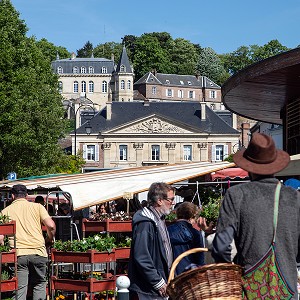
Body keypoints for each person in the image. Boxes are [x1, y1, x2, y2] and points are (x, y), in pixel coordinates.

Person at [212, 133, 300, 298]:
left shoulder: (236, 194)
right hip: (287, 290)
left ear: (248, 166)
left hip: (249, 289)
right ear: (275, 165)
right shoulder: (294, 197)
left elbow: (221, 246)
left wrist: (230, 269)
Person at [1, 184, 56, 300]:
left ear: (12, 196)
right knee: (39, 284)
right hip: (38, 252)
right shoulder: (38, 207)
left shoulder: (5, 211)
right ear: (26, 195)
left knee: (20, 289)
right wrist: (48, 240)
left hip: (18, 255)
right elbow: (51, 226)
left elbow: (0, 238)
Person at [128, 182, 175, 300]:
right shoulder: (145, 223)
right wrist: (158, 282)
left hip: (156, 287)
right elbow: (142, 256)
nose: (172, 203)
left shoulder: (159, 220)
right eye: (170, 199)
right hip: (146, 290)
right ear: (159, 200)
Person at [167, 202, 205, 275]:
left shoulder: (167, 230)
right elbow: (200, 259)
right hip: (189, 274)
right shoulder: (195, 233)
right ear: (192, 217)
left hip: (171, 273)